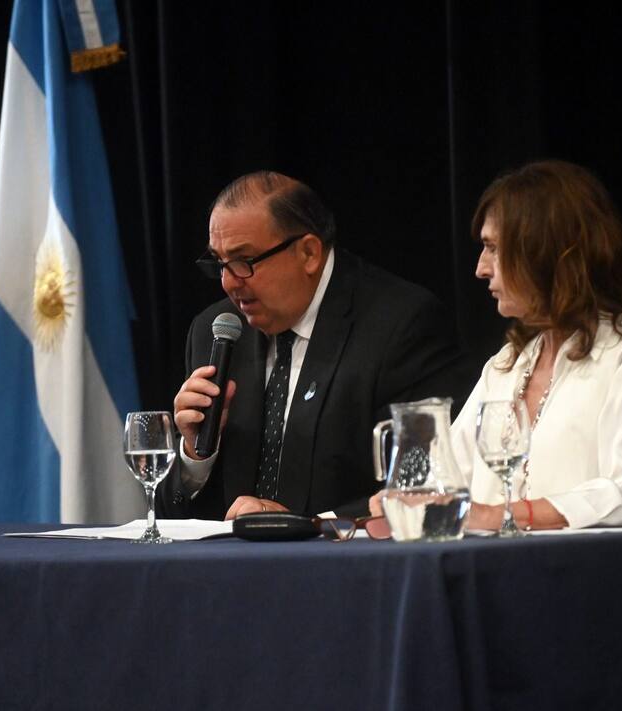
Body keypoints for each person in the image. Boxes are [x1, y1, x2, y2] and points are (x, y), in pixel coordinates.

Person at [371, 160, 622, 530]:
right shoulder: (507, 365)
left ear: (545, 252)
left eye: (493, 248)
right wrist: (409, 499)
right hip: (515, 575)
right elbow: (446, 477)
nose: (481, 268)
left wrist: (497, 515)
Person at [157, 171, 474, 520]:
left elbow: (422, 483)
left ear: (308, 252)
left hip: (351, 565)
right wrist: (195, 456)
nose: (229, 283)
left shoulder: (401, 326)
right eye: (219, 263)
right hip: (229, 567)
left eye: (244, 262)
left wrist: (308, 526)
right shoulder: (214, 330)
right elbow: (179, 515)